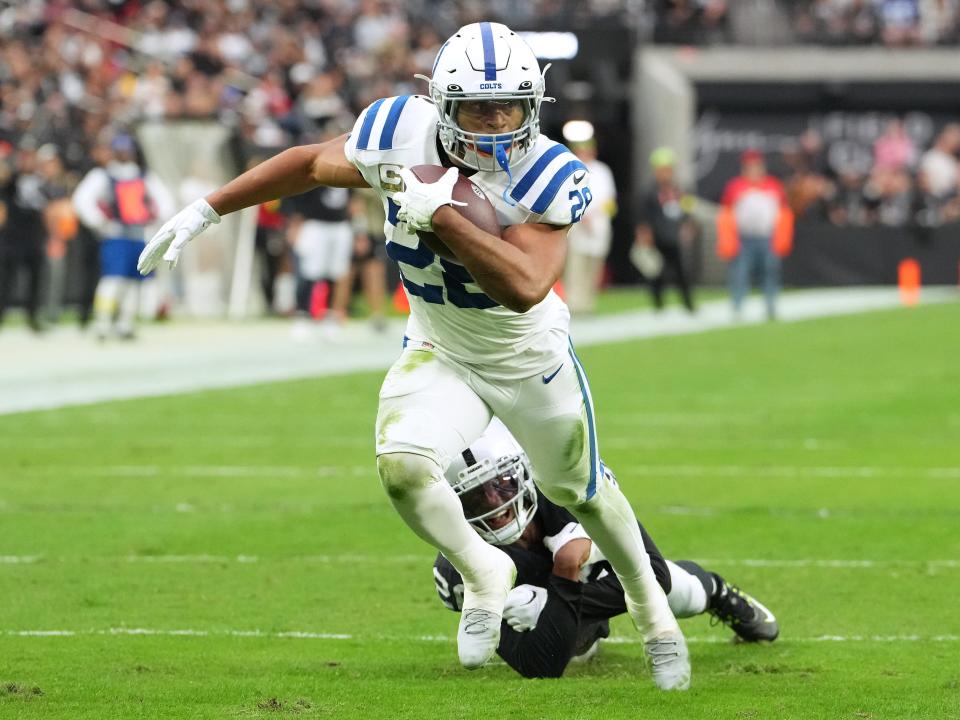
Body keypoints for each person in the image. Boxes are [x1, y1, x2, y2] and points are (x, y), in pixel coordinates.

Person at [137, 22, 691, 690]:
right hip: (439, 345)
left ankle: (655, 612)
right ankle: (484, 572)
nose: (491, 125)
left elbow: (524, 287)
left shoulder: (547, 172)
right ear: (441, 104)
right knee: (402, 466)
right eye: (475, 108)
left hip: (524, 355)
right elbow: (312, 163)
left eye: (506, 108)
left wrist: (445, 215)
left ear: (533, 106)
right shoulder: (399, 131)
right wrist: (208, 207)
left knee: (584, 491)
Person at [433, 418, 779, 679]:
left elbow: (654, 576)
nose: (495, 504)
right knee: (574, 653)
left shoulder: (565, 486)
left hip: (588, 579)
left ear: (523, 470)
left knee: (660, 585)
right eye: (476, 496)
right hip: (559, 597)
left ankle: (713, 590)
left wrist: (558, 593)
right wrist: (563, 579)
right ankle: (579, 621)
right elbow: (539, 664)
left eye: (500, 484)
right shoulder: (459, 563)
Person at [72, 133, 174, 340]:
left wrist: (157, 223)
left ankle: (125, 323)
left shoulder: (144, 176)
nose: (124, 153)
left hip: (139, 235)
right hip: (116, 235)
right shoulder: (103, 175)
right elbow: (82, 200)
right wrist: (99, 222)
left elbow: (165, 202)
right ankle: (102, 322)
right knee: (112, 280)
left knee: (134, 283)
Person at [716, 150, 793, 321]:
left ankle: (771, 306)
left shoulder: (773, 186)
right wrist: (728, 239)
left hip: (767, 237)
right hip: (743, 238)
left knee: (770, 272)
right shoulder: (735, 186)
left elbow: (784, 214)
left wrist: (781, 239)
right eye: (749, 167)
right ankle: (737, 306)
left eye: (756, 166)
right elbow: (726, 215)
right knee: (740, 273)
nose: (753, 170)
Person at [635, 147, 696, 314]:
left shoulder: (681, 191)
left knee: (681, 272)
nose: (664, 174)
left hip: (674, 237)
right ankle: (658, 305)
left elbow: (688, 212)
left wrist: (688, 226)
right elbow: (643, 216)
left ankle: (688, 304)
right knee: (656, 273)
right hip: (656, 238)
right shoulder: (649, 192)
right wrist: (643, 234)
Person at [563, 131, 617, 315]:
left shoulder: (603, 171)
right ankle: (574, 303)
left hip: (599, 227)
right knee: (576, 265)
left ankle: (588, 303)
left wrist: (595, 216)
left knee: (594, 266)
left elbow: (610, 201)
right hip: (577, 225)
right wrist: (581, 216)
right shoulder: (571, 169)